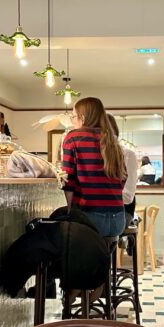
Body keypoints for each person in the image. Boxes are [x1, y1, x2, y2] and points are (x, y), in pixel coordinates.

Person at [62, 98, 126, 237]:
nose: (72, 121)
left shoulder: (73, 137)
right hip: (119, 219)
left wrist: (69, 210)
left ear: (82, 118)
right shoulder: (111, 139)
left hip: (91, 217)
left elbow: (68, 180)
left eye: (73, 116)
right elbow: (123, 178)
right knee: (102, 256)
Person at [107, 113, 139, 220]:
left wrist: (99, 195)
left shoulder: (128, 155)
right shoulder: (92, 155)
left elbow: (127, 197)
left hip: (124, 211)